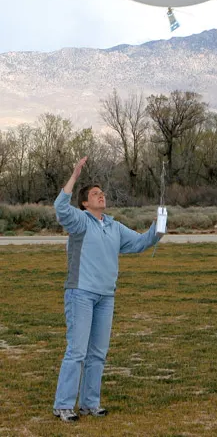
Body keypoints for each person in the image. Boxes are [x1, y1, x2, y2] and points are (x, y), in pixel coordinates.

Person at [53, 156, 162, 423]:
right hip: (80, 293)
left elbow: (139, 243)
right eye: (95, 194)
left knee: (98, 353)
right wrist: (75, 175)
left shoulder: (113, 226)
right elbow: (60, 208)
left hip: (106, 297)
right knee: (77, 351)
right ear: (84, 202)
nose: (101, 196)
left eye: (102, 193)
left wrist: (159, 224)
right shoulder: (79, 222)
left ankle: (90, 403)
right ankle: (64, 405)